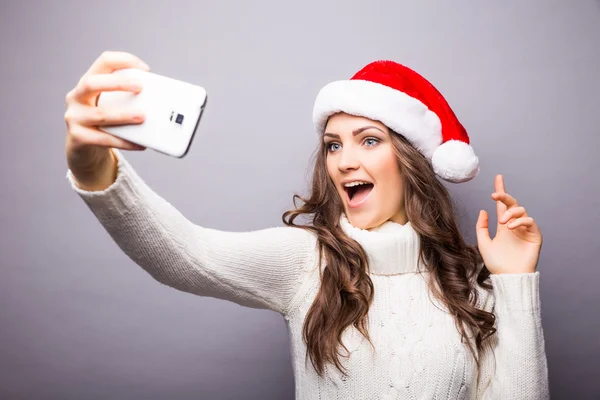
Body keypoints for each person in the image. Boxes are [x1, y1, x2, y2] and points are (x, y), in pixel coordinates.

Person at [64, 51, 549, 399]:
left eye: (368, 141)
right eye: (334, 145)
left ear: (412, 162)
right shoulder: (308, 261)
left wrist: (514, 282)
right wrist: (94, 169)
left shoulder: (467, 286)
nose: (343, 162)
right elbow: (186, 255)